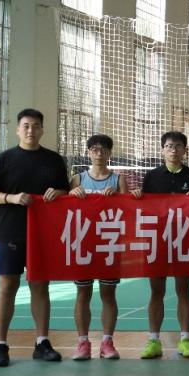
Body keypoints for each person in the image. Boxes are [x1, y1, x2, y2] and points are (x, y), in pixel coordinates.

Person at [0, 108, 70, 367]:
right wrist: (11, 198)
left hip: (43, 233)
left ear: (42, 129)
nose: (31, 130)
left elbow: (65, 191)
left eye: (36, 126)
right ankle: (0, 345)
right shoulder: (4, 159)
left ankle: (42, 342)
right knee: (7, 286)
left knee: (40, 286)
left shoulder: (53, 160)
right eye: (26, 125)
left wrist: (58, 193)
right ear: (18, 129)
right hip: (10, 231)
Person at [137, 131, 189, 359]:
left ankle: (185, 339)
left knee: (183, 290)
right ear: (162, 149)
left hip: (184, 238)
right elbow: (143, 207)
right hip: (157, 240)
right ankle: (154, 341)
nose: (173, 150)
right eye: (168, 146)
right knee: (157, 290)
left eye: (177, 146)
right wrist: (136, 195)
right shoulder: (151, 176)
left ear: (185, 150)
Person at [69, 134, 130, 360]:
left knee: (108, 293)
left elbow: (129, 212)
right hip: (84, 243)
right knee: (83, 292)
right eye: (95, 149)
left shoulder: (118, 180)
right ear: (88, 152)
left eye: (104, 149)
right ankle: (83, 343)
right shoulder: (77, 179)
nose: (99, 153)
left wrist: (119, 197)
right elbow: (64, 209)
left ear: (110, 153)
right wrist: (71, 193)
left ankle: (107, 342)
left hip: (109, 243)